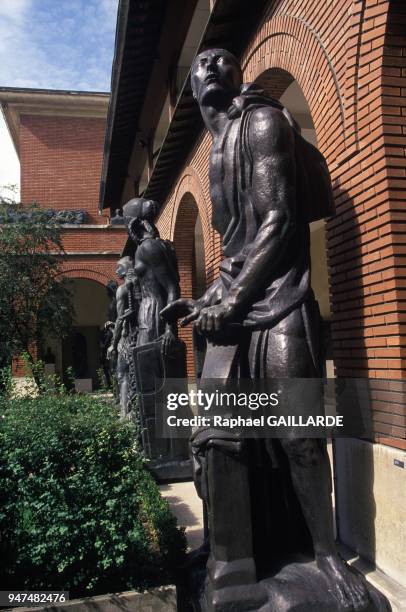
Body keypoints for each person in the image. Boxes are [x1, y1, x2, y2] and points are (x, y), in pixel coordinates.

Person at [162, 48, 368, 610]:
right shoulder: (214, 150)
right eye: (198, 63)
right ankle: (234, 557)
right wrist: (202, 298)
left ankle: (327, 555)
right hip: (238, 308)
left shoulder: (261, 121)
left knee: (299, 436)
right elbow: (234, 249)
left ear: (237, 75)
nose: (208, 66)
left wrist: (226, 301)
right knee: (221, 439)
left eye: (221, 58)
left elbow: (276, 221)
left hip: (282, 304)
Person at [107, 257, 139, 417]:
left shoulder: (122, 289)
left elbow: (120, 319)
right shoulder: (139, 285)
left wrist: (113, 344)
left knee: (122, 374)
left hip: (126, 339)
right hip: (140, 335)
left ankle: (124, 412)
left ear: (126, 269)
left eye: (118, 267)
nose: (116, 271)